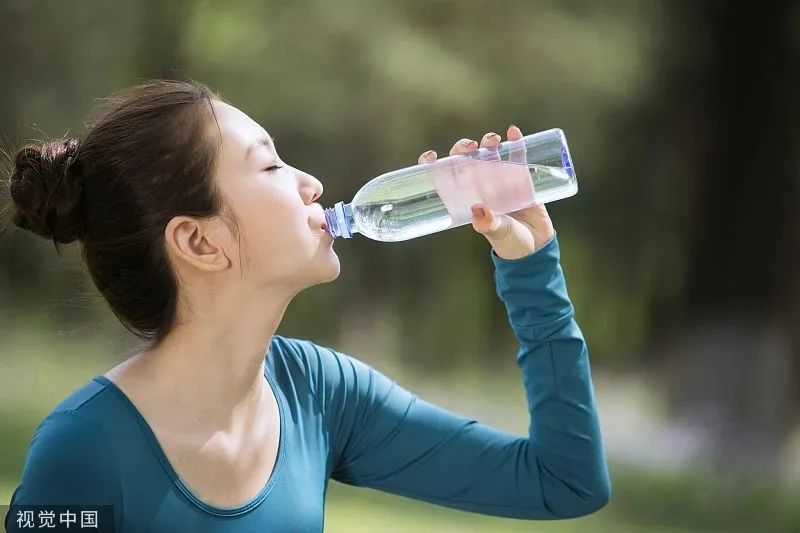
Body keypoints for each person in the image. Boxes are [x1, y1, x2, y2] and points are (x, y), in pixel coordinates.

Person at [3, 80, 610, 532]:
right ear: (199, 241)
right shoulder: (80, 453)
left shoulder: (320, 395)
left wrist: (530, 265)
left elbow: (564, 482)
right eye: (269, 164)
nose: (310, 183)